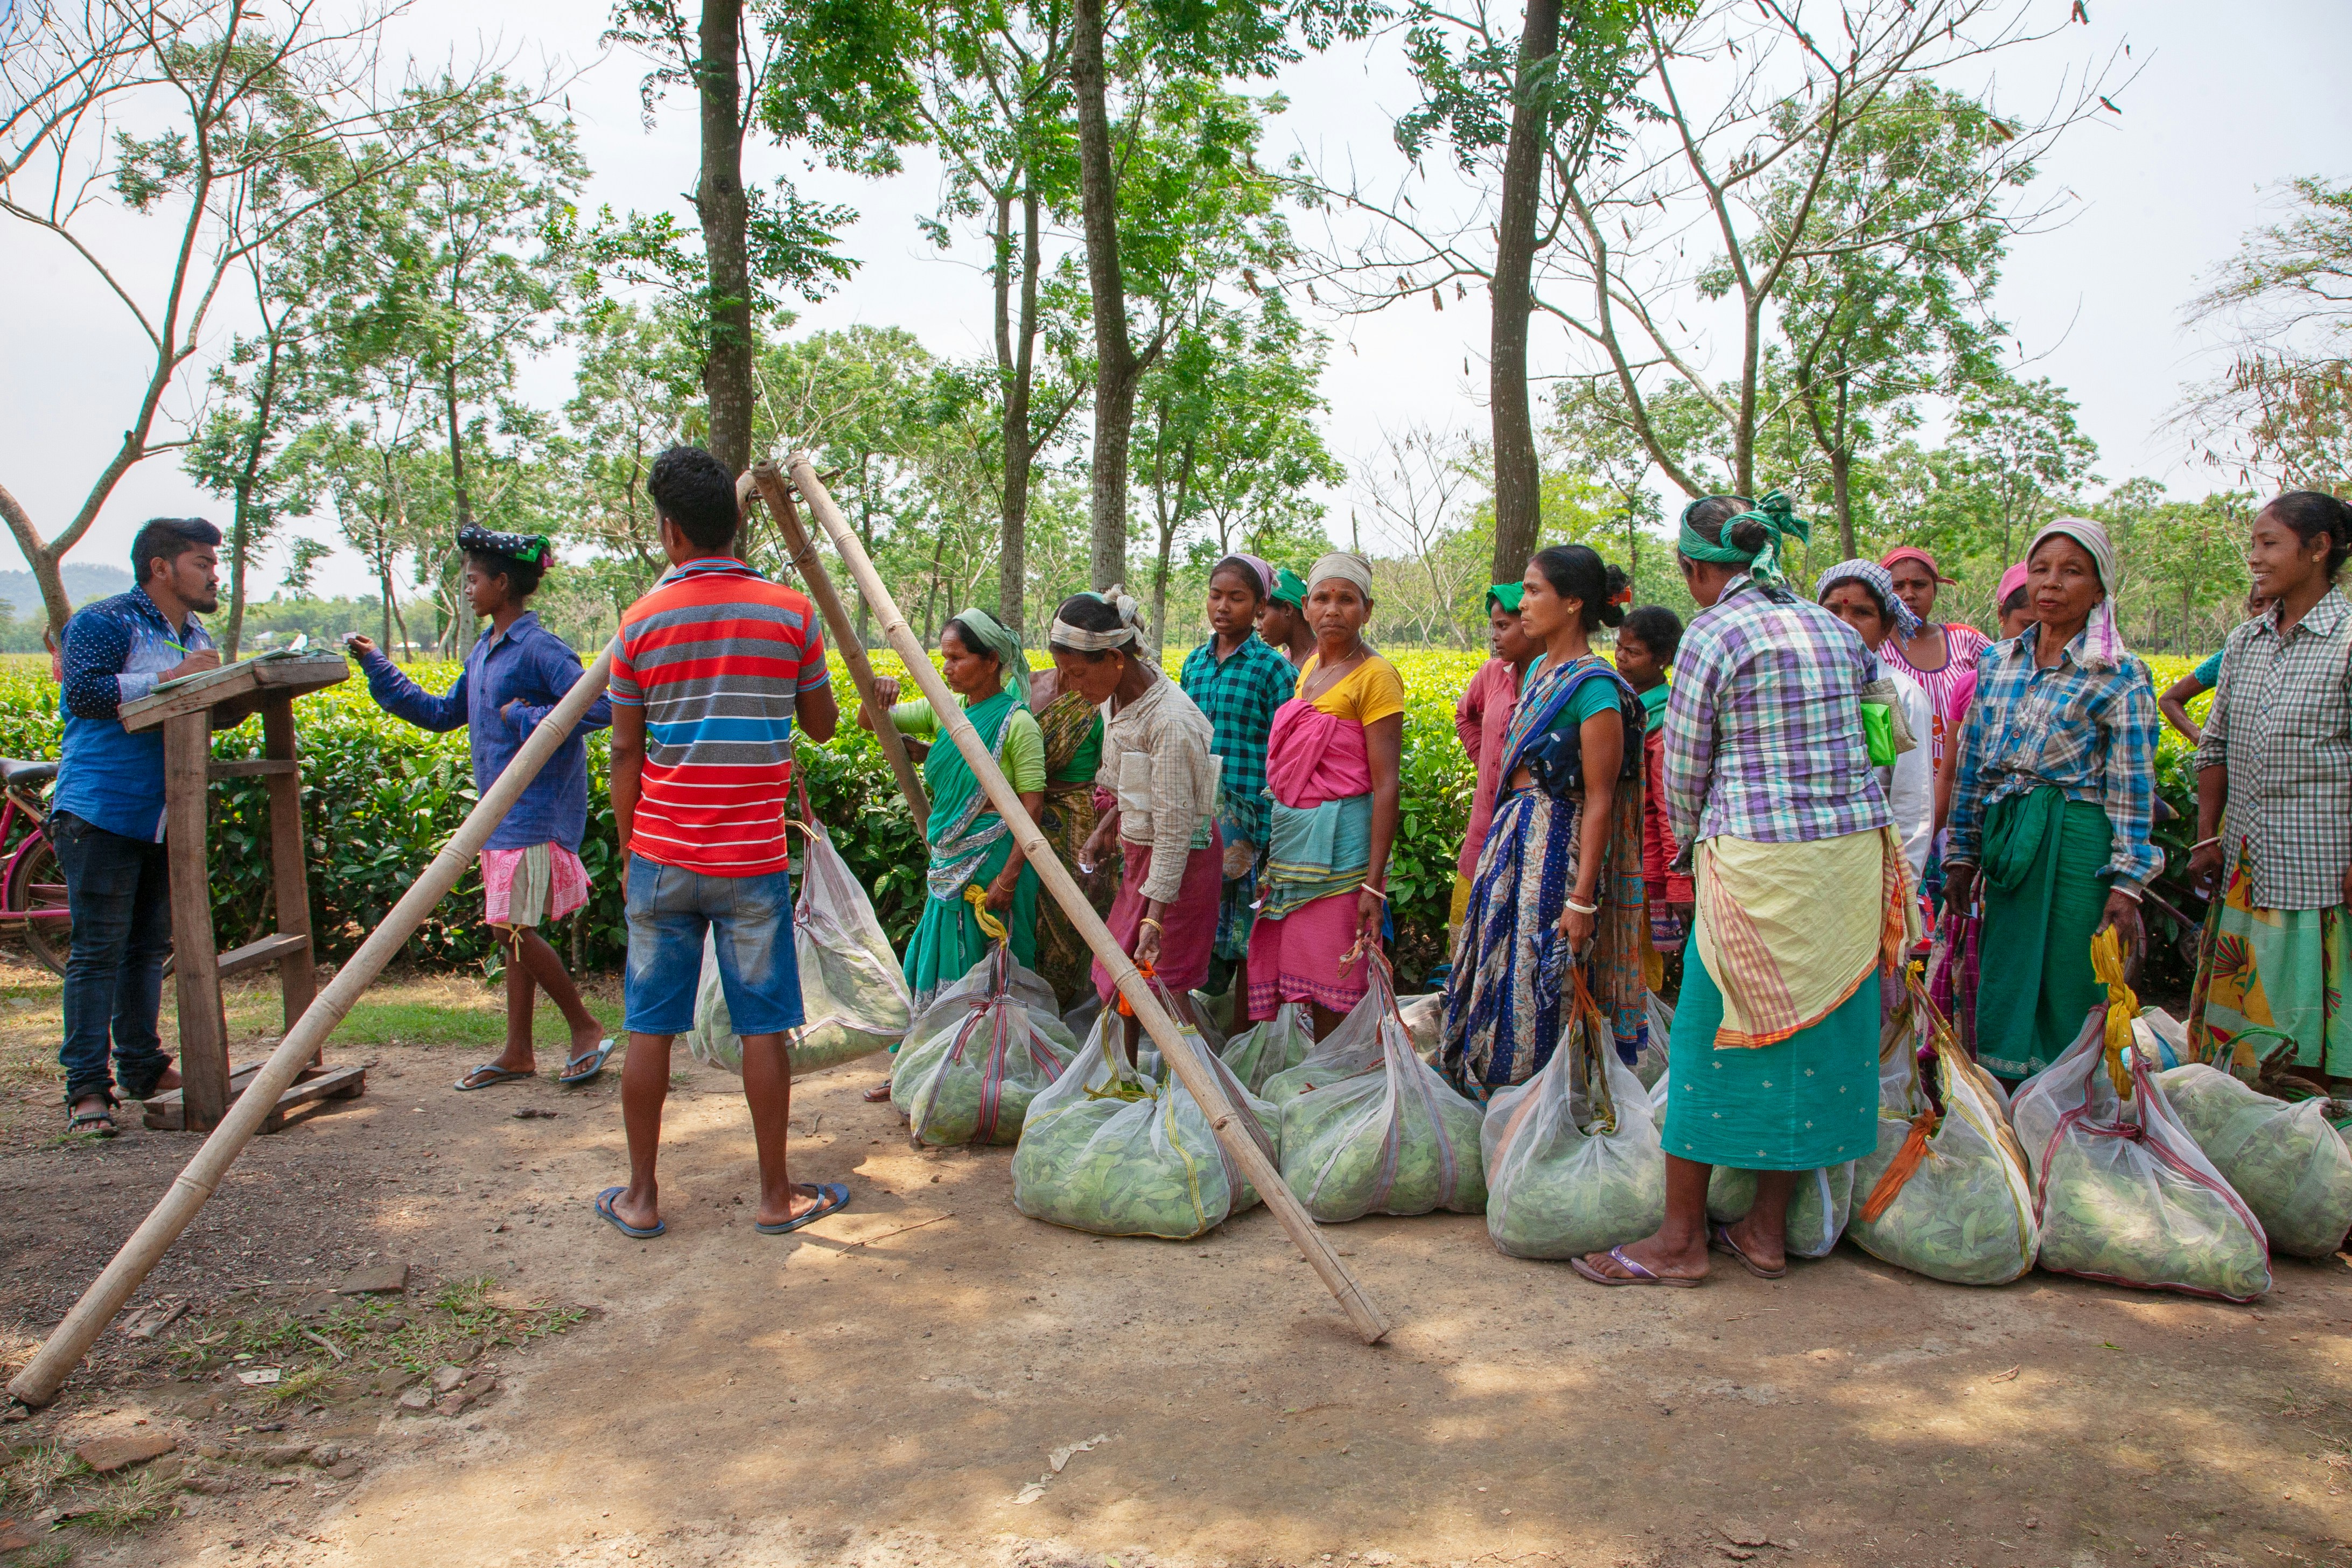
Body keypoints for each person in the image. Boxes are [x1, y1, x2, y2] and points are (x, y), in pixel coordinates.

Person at [1574, 495, 1917, 1288]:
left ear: (1697, 570)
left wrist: (1694, 851)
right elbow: (1882, 739)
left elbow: (1685, 764)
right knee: (1815, 1034)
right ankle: (1766, 1232)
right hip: (1847, 859)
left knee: (1711, 1036)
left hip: (1759, 859)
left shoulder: (1714, 633)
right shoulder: (1838, 630)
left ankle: (1681, 1241)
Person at [598, 445, 845, 1241]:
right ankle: (776, 1196)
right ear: (738, 523)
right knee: (761, 1028)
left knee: (649, 1025)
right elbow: (822, 725)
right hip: (750, 863)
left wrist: (631, 842)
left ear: (671, 532)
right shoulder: (790, 614)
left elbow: (626, 751)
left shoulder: (639, 622)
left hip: (663, 854)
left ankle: (641, 1197)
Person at [348, 527, 615, 1093]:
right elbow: (445, 711)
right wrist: (377, 666)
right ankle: (519, 1051)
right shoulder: (483, 650)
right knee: (513, 929)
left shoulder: (542, 648)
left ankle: (585, 1026)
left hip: (534, 810)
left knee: (509, 926)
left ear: (501, 582)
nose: (466, 589)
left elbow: (605, 707)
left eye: (472, 580)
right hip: (497, 814)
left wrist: (525, 717)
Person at [1945, 518, 2158, 1084]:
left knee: (2070, 974)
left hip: (2077, 843)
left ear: (2099, 586)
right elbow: (1972, 764)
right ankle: (2008, 1093)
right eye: (2041, 569)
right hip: (2010, 840)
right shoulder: (1997, 662)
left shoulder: (2120, 673)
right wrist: (1962, 853)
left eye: (2071, 571)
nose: (2051, 583)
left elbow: (2133, 786)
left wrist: (2127, 883)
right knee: (2007, 971)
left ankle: (2072, 1098)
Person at [1441, 546, 1647, 1094]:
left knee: (1538, 983)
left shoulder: (1594, 687)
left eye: (1535, 591)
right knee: (1498, 970)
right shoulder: (1538, 671)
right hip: (1514, 840)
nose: (1523, 603)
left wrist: (1581, 900)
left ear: (1574, 602)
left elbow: (1601, 798)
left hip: (1556, 852)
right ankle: (1493, 1100)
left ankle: (1535, 1106)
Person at [52, 518, 226, 1134]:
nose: (214, 573)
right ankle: (86, 1089)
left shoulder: (194, 630)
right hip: (101, 808)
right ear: (161, 566)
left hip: (163, 812)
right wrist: (171, 679)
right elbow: (86, 694)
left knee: (147, 948)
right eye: (202, 561)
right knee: (98, 950)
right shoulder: (107, 621)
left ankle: (143, 1066)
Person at [2187, 492, 2352, 1084]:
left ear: (2318, 549)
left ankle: (2313, 1103)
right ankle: (2246, 1100)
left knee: (2306, 1018)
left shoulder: (2346, 640)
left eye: (2269, 543)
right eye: (2254, 543)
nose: (2255, 557)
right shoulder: (2244, 641)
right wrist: (2207, 836)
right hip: (2247, 865)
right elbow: (2217, 746)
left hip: (2321, 869)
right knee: (2239, 1032)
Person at [1247, 553, 1405, 1035]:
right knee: (1310, 982)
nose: (1333, 609)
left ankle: (1348, 1085)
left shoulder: (1377, 677)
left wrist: (1373, 885)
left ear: (1368, 610)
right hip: (1299, 850)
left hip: (1345, 856)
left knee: (1343, 975)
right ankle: (1324, 1080)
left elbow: (1386, 784)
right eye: (1322, 598)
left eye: (1347, 599)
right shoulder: (1310, 666)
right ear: (1306, 608)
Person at [1059, 589, 1221, 1048]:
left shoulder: (1169, 722)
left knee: (1161, 983)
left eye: (1075, 674)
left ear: (1113, 657)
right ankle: (1132, 1085)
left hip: (1181, 863)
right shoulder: (1116, 698)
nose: (1070, 686)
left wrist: (1155, 918)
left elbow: (1174, 831)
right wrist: (1103, 832)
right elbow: (1123, 784)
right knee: (1124, 980)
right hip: (1143, 858)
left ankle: (1205, 1097)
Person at [863, 610, 1045, 1011]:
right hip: (949, 858)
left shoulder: (1018, 724)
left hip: (994, 861)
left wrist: (1008, 879)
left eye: (957, 658)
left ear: (992, 660)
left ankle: (993, 1053)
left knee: (994, 957)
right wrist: (878, 691)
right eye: (943, 658)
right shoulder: (943, 710)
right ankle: (943, 1045)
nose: (946, 668)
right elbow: (870, 722)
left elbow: (1031, 810)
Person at [1180, 555, 1298, 998]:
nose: (1223, 607)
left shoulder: (1274, 670)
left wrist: (1275, 828)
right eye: (1216, 595)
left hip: (1253, 822)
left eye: (1237, 597)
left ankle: (1245, 1030)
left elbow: (1287, 753)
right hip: (1199, 820)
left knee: (1248, 936)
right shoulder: (1195, 664)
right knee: (1200, 923)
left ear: (1260, 605)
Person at [1815, 559, 1934, 881]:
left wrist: (1902, 882)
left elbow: (1912, 799)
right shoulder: (1803, 687)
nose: (1845, 623)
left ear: (1886, 625)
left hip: (1873, 865)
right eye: (1833, 611)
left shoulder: (1899, 694)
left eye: (1862, 613)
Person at [1449, 582, 1539, 954]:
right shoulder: (1491, 673)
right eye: (1494, 626)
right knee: (1466, 939)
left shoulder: (1559, 680)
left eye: (1504, 626)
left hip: (1531, 837)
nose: (1495, 636)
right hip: (1483, 827)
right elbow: (1464, 716)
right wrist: (1485, 758)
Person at [1025, 661, 1110, 1009]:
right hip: (1027, 809)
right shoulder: (1029, 683)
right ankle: (1032, 996)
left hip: (1078, 814)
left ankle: (1064, 999)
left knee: (1071, 907)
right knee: (1030, 905)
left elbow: (1110, 771)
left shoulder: (1099, 699)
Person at [1614, 605, 1692, 970]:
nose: (1621, 658)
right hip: (1615, 855)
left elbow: (1668, 808)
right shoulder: (1621, 703)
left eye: (1633, 652)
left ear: (1662, 659)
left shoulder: (1663, 722)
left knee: (1639, 973)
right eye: (1619, 647)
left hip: (1646, 870)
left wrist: (1677, 884)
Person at [2160, 594, 2269, 745]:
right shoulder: (2235, 653)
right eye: (2259, 604)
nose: (2269, 611)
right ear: (2250, 611)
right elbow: (2170, 699)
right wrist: (2201, 739)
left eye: (2279, 602)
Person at [1255, 566, 1316, 671]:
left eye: (1261, 616)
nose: (1258, 627)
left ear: (1288, 609)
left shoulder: (1327, 659)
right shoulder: (1280, 662)